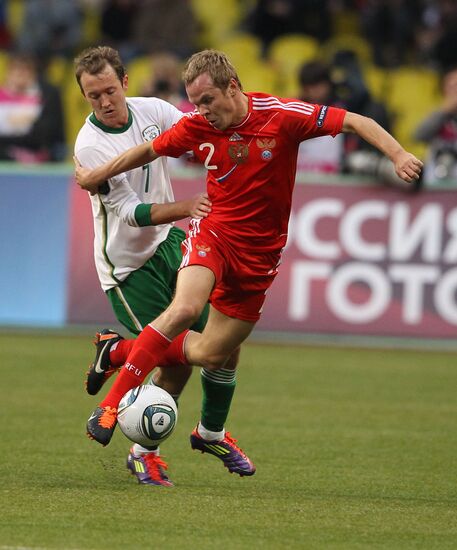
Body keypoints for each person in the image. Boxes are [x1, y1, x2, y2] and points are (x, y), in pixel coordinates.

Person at [75, 49, 422, 461]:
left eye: (207, 101)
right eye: (195, 102)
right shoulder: (192, 127)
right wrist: (98, 175)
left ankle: (199, 424)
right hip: (213, 234)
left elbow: (353, 120)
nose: (200, 112)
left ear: (233, 87)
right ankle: (111, 407)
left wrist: (398, 153)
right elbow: (148, 152)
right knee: (185, 310)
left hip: (260, 254)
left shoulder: (282, 116)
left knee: (212, 353)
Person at [74, 46, 255, 487]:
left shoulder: (152, 110)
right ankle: (142, 452)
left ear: (125, 83)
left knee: (226, 339)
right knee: (177, 363)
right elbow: (131, 213)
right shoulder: (91, 145)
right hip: (127, 268)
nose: (104, 102)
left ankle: (210, 430)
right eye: (93, 96)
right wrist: (188, 205)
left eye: (109, 90)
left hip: (170, 245)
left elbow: (197, 135)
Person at [0, 52, 66, 162]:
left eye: (25, 70)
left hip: (38, 158)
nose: (20, 75)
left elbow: (41, 137)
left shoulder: (47, 97)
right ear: (8, 73)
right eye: (16, 70)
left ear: (33, 74)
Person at [413, 64, 457, 184]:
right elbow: (418, 135)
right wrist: (444, 111)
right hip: (435, 180)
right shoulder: (437, 113)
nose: (455, 92)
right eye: (451, 87)